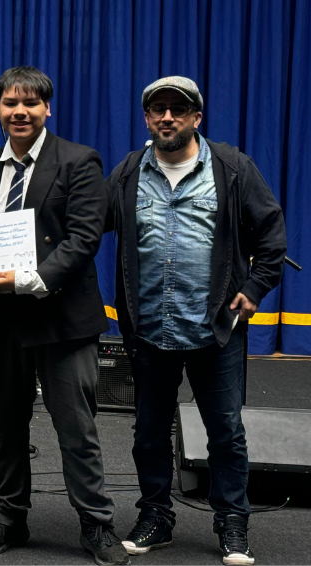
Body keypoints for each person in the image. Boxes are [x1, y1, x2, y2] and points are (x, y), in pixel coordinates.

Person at [0, 66, 127, 565]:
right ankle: (9, 517)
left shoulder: (79, 160)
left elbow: (84, 239)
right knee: (5, 426)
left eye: (30, 104)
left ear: (47, 109)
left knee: (76, 428)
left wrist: (27, 281)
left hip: (61, 318)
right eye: (10, 103)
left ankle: (96, 524)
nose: (19, 112)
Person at [106, 77, 286, 566]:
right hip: (149, 330)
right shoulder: (128, 173)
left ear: (196, 118)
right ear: (147, 118)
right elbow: (86, 222)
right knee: (148, 432)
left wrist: (252, 290)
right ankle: (155, 518)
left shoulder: (231, 168)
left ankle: (232, 522)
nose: (167, 117)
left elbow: (272, 237)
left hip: (216, 331)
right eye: (158, 110)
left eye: (178, 110)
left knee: (225, 431)